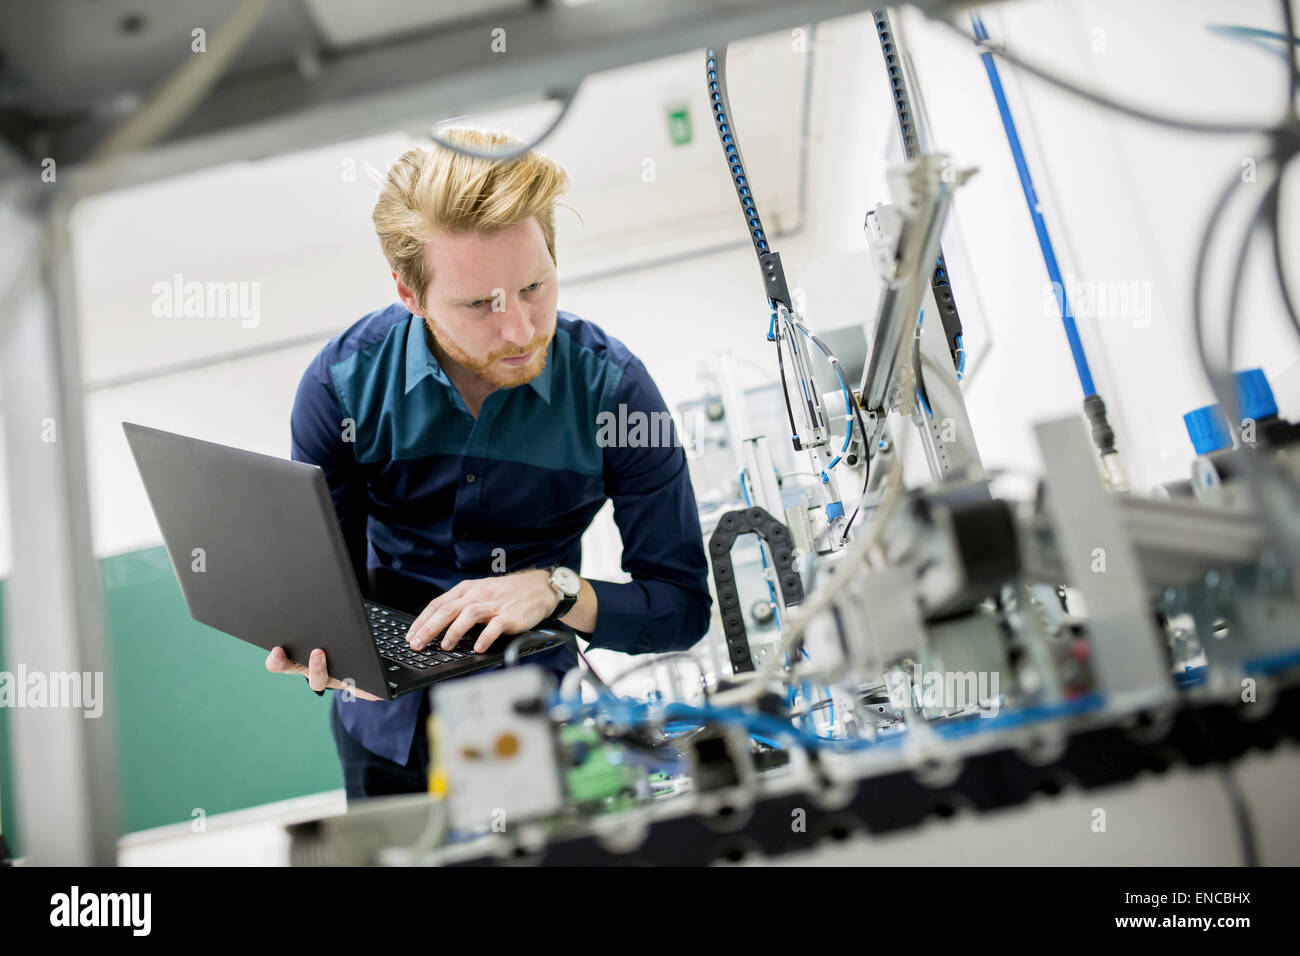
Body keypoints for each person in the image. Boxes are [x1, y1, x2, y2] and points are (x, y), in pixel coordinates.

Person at [265, 128, 713, 800]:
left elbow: (681, 609)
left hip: (539, 730)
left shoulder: (615, 394)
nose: (520, 330)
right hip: (381, 731)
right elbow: (329, 585)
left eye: (535, 286)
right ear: (409, 294)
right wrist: (313, 636)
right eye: (479, 304)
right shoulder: (341, 387)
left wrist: (559, 590)